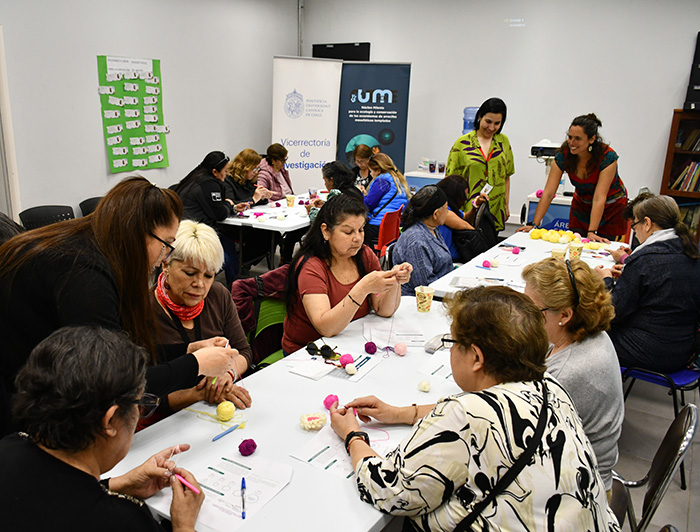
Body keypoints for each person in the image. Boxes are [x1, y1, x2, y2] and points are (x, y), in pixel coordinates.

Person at [329, 286, 619, 531]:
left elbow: (388, 490)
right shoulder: (550, 385)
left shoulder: (465, 415)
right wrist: (401, 413)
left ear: (477, 357)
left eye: (453, 343)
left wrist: (353, 436)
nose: (451, 351)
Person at [0, 177, 234, 436]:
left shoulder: (90, 244)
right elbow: (116, 381)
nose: (162, 258)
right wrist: (195, 365)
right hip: (17, 400)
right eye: (166, 245)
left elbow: (119, 349)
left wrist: (186, 350)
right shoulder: (85, 276)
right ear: (138, 232)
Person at [0, 326, 204, 531]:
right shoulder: (122, 521)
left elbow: (51, 498)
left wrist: (117, 485)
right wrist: (183, 524)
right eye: (139, 403)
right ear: (111, 420)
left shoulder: (10, 446)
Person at [522, 257, 624, 492]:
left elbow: (521, 440)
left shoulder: (568, 372)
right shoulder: (581, 332)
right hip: (579, 463)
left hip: (577, 488)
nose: (525, 315)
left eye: (532, 309)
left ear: (564, 315)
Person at [283, 194, 412, 354]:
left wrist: (394, 280)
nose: (358, 238)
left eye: (361, 229)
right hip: (307, 353)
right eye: (348, 232)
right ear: (326, 231)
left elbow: (384, 310)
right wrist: (362, 288)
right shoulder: (311, 267)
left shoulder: (364, 255)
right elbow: (326, 327)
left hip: (349, 344)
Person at [152, 220, 253, 423]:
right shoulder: (144, 311)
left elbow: (244, 352)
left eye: (209, 275)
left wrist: (228, 376)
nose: (199, 284)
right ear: (166, 264)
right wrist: (205, 392)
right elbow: (147, 394)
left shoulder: (218, 295)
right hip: (167, 424)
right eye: (190, 273)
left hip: (209, 415)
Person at [595, 193, 700, 372]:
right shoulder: (690, 252)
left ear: (647, 223)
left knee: (581, 330)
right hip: (683, 350)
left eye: (635, 225)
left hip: (649, 351)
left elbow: (612, 312)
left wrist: (604, 280)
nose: (635, 231)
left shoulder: (644, 259)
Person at [519, 113, 628, 242]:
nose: (572, 142)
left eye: (578, 138)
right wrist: (534, 225)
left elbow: (599, 198)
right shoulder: (564, 155)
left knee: (600, 248)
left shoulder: (607, 157)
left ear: (592, 139)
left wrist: (592, 231)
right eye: (570, 137)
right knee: (574, 243)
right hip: (582, 205)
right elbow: (548, 193)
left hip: (610, 208)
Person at [445, 97, 514, 231]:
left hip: (495, 209)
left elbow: (506, 176)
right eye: (488, 121)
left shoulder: (503, 142)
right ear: (479, 117)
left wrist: (506, 205)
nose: (491, 127)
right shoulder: (462, 143)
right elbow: (450, 181)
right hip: (468, 209)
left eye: (497, 123)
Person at [172, 151, 240, 285]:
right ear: (215, 172)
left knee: (229, 244)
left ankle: (234, 284)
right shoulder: (210, 185)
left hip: (182, 229)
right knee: (226, 256)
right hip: (193, 234)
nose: (227, 175)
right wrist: (229, 204)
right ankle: (233, 287)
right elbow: (219, 214)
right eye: (225, 171)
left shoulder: (194, 176)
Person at [392, 185, 453, 296]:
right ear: (436, 214)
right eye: (446, 208)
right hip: (421, 301)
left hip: (441, 290)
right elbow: (424, 286)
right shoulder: (416, 241)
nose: (448, 212)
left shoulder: (431, 229)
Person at [223, 148, 275, 265]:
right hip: (233, 225)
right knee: (266, 236)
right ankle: (240, 263)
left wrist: (263, 196)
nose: (256, 172)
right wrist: (254, 198)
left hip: (248, 222)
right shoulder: (228, 182)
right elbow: (233, 204)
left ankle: (245, 262)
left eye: (258, 168)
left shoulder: (248, 181)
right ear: (244, 167)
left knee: (274, 235)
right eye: (254, 168)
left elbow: (256, 200)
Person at [256, 143, 305, 264]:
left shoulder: (282, 170)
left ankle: (287, 251)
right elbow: (263, 194)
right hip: (275, 209)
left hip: (287, 205)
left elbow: (288, 191)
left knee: (305, 224)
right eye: (282, 160)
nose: (285, 163)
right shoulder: (264, 174)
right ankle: (286, 256)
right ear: (273, 160)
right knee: (296, 227)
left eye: (285, 159)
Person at [435, 175, 488, 261]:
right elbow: (466, 226)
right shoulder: (443, 212)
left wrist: (475, 205)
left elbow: (465, 217)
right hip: (449, 259)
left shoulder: (450, 208)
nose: (463, 201)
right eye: (462, 197)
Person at [364, 152, 411, 247]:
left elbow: (368, 204)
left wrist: (360, 194)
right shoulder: (398, 180)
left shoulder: (381, 181)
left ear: (377, 170)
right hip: (392, 228)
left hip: (378, 225)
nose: (370, 174)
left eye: (371, 171)